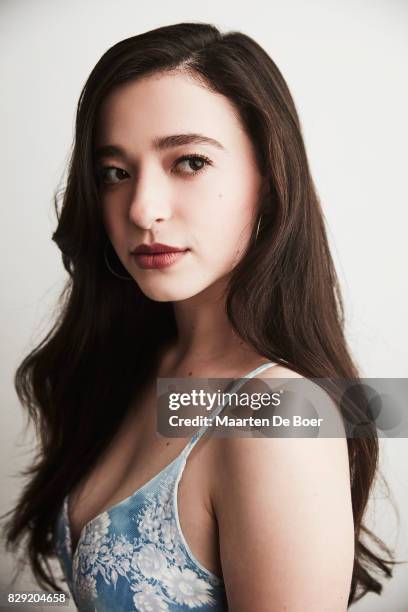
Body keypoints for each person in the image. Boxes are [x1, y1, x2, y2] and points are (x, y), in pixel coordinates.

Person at [2, 22, 395, 611]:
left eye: (188, 161)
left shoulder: (278, 417)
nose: (142, 209)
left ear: (268, 178)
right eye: (116, 172)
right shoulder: (137, 363)